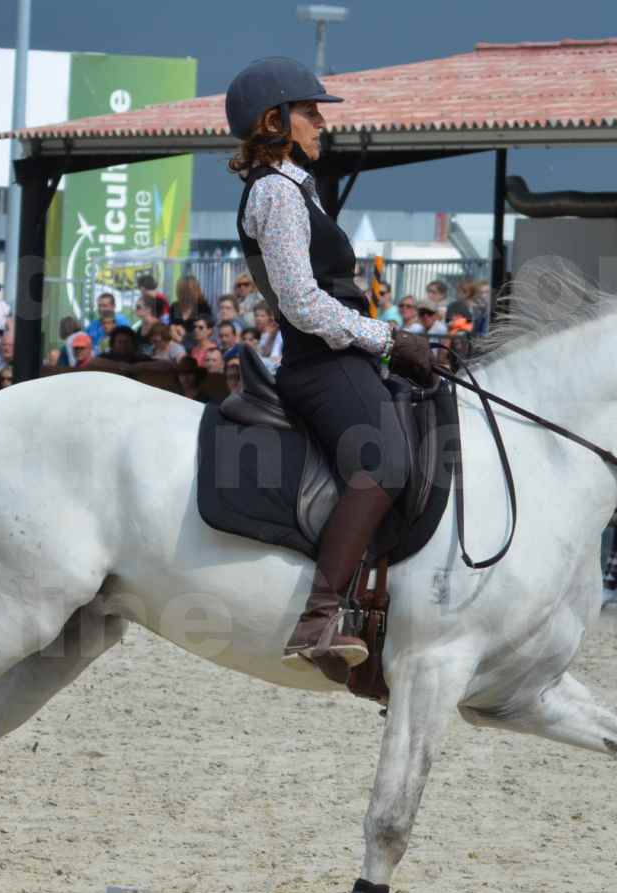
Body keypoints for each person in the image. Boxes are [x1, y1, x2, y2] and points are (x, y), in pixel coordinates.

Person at [227, 56, 433, 669]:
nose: (322, 123)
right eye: (310, 112)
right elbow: (304, 303)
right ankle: (319, 618)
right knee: (384, 461)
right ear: (275, 120)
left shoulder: (297, 188)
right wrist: (390, 339)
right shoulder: (275, 193)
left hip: (340, 354)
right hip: (321, 362)